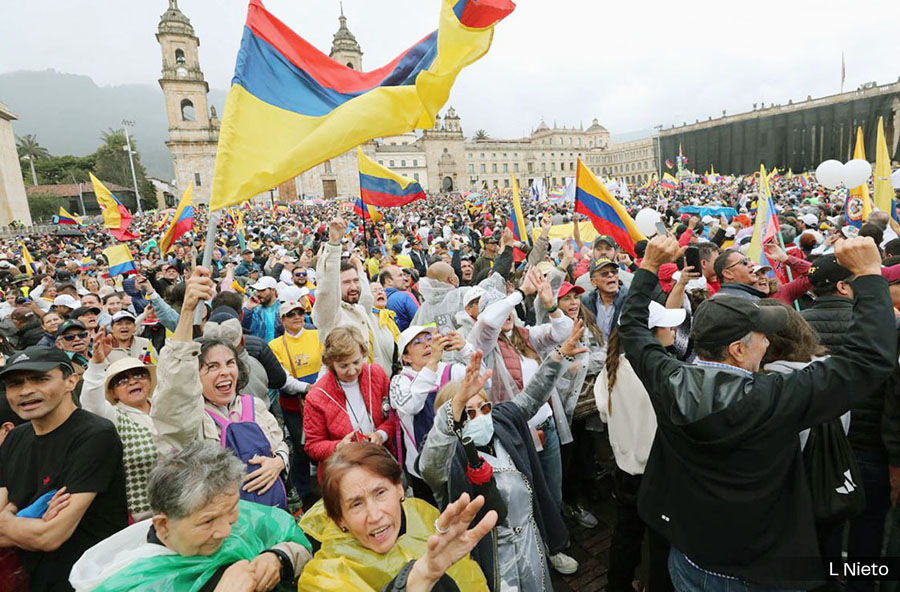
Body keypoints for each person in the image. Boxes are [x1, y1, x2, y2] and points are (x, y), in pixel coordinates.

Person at [619, 235, 896, 590]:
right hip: (759, 571)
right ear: (737, 349)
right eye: (762, 334)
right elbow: (867, 361)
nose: (768, 342)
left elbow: (630, 328)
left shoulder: (666, 378)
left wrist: (646, 268)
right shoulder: (775, 398)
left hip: (689, 560)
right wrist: (871, 275)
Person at [421, 326, 584, 587]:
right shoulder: (448, 453)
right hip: (490, 555)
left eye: (483, 407)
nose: (480, 416)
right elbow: (431, 468)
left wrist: (559, 356)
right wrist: (453, 409)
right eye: (468, 412)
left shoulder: (502, 423)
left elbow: (531, 398)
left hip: (529, 540)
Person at [69, 441, 313, 592]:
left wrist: (279, 559)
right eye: (207, 521)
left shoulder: (231, 512)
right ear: (163, 525)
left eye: (231, 510)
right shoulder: (135, 582)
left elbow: (298, 542)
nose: (226, 531)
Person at [152, 267, 290, 509]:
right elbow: (175, 387)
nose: (225, 372)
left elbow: (279, 443)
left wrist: (278, 461)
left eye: (229, 363)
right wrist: (186, 311)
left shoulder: (254, 405)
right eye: (212, 367)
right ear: (194, 376)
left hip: (271, 519)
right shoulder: (192, 420)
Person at [0, 346, 128, 592]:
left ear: (71, 381)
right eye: (15, 384)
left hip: (87, 582)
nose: (26, 391)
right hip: (29, 580)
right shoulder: (16, 438)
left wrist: (8, 519)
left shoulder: (95, 435)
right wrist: (26, 523)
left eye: (40, 379)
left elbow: (49, 536)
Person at [299, 442, 494, 591]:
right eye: (356, 504)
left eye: (380, 493)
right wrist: (417, 580)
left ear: (399, 488)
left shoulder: (423, 513)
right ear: (339, 518)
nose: (374, 516)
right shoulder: (323, 578)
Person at [595, 301, 685, 592]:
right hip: (659, 474)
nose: (673, 330)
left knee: (625, 536)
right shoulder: (663, 373)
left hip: (625, 472)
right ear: (649, 334)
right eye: (667, 325)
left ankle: (617, 586)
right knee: (661, 544)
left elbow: (603, 411)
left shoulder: (611, 368)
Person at [79, 326, 163, 520]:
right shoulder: (114, 415)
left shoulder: (164, 408)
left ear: (149, 381)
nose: (133, 382)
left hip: (182, 504)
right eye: (122, 380)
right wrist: (97, 363)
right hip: (143, 515)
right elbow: (91, 405)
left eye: (139, 375)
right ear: (113, 392)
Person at [390, 326, 473, 501]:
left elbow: (482, 383)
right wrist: (432, 365)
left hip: (460, 461)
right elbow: (410, 406)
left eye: (429, 338)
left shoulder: (451, 370)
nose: (427, 345)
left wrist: (465, 348)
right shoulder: (399, 381)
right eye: (417, 343)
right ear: (406, 357)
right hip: (423, 470)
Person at [303, 327, 396, 482]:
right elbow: (312, 446)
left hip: (381, 463)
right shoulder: (316, 397)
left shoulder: (377, 374)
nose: (352, 371)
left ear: (363, 355)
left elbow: (394, 417)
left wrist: (381, 435)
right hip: (344, 473)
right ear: (330, 363)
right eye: (343, 366)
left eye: (356, 362)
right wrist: (338, 447)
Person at [312, 217, 395, 375]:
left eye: (356, 281)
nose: (354, 287)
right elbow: (327, 288)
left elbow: (366, 297)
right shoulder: (331, 315)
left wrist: (358, 267)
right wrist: (334, 244)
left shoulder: (360, 310)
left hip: (373, 387)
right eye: (346, 282)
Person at [267, 300, 323, 505]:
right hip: (295, 405)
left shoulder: (317, 335)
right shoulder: (275, 345)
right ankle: (304, 492)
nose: (297, 317)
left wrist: (318, 386)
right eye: (291, 314)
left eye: (300, 312)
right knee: (302, 448)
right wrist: (307, 389)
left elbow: (327, 361)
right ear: (282, 320)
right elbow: (283, 379)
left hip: (321, 399)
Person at [581, 259, 628, 339]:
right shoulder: (586, 302)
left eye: (614, 272)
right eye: (604, 274)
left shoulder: (629, 300)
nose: (610, 275)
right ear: (593, 282)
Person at [242, 276, 282, 343]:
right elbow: (245, 329)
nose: (258, 294)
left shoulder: (283, 309)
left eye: (262, 290)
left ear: (273, 290)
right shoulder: (254, 310)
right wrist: (248, 310)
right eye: (257, 290)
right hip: (260, 350)